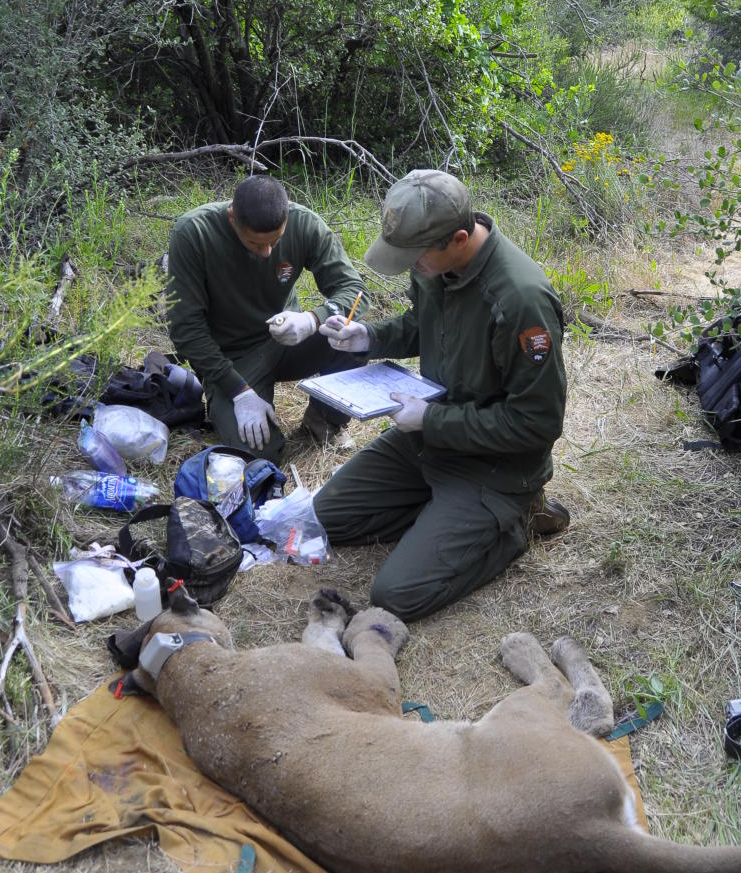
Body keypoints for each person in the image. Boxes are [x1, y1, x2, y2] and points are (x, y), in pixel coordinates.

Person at [312, 169, 569, 623]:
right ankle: (442, 516)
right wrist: (367, 337)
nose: (411, 266)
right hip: (428, 439)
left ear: (459, 238)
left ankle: (515, 523)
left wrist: (431, 421)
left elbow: (537, 423)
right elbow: (424, 324)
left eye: (415, 256)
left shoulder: (520, 300)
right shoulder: (436, 266)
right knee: (326, 517)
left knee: (395, 595)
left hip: (494, 467)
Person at [167, 175, 367, 462]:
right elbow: (187, 330)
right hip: (232, 357)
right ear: (232, 218)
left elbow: (355, 291)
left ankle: (324, 419)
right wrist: (239, 391)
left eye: (276, 241)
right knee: (259, 453)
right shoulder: (195, 233)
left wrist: (312, 319)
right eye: (255, 243)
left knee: (354, 338)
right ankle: (240, 400)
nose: (267, 252)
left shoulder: (304, 224)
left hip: (288, 339)